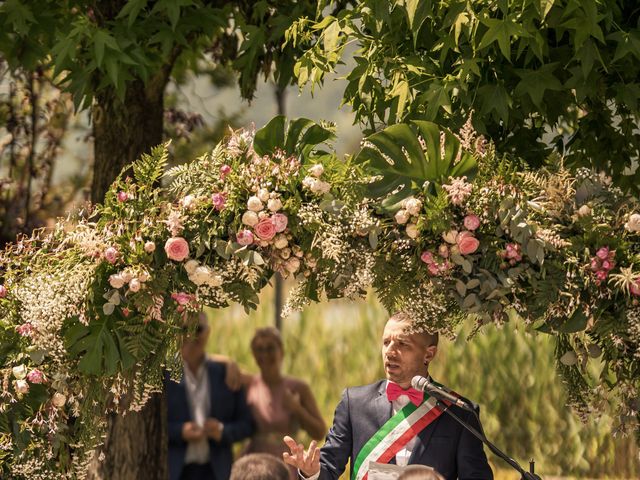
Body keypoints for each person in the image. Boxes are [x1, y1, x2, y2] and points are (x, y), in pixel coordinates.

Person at [282, 311, 493, 480]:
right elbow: (328, 469)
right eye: (386, 342)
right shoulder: (354, 403)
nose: (390, 352)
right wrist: (311, 472)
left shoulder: (458, 411)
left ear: (429, 354)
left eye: (402, 344)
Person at [165, 313, 255, 480]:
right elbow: (152, 426)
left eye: (197, 329)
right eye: (184, 329)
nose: (191, 335)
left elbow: (247, 425)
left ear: (208, 332)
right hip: (176, 471)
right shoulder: (163, 375)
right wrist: (180, 431)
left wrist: (222, 431)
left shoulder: (225, 374)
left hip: (218, 471)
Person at [242, 327, 327, 479]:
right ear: (254, 354)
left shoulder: (298, 388)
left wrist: (297, 409)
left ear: (281, 351)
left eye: (270, 348)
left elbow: (320, 432)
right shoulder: (248, 384)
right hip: (256, 464)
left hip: (286, 463)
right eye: (259, 349)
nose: (265, 355)